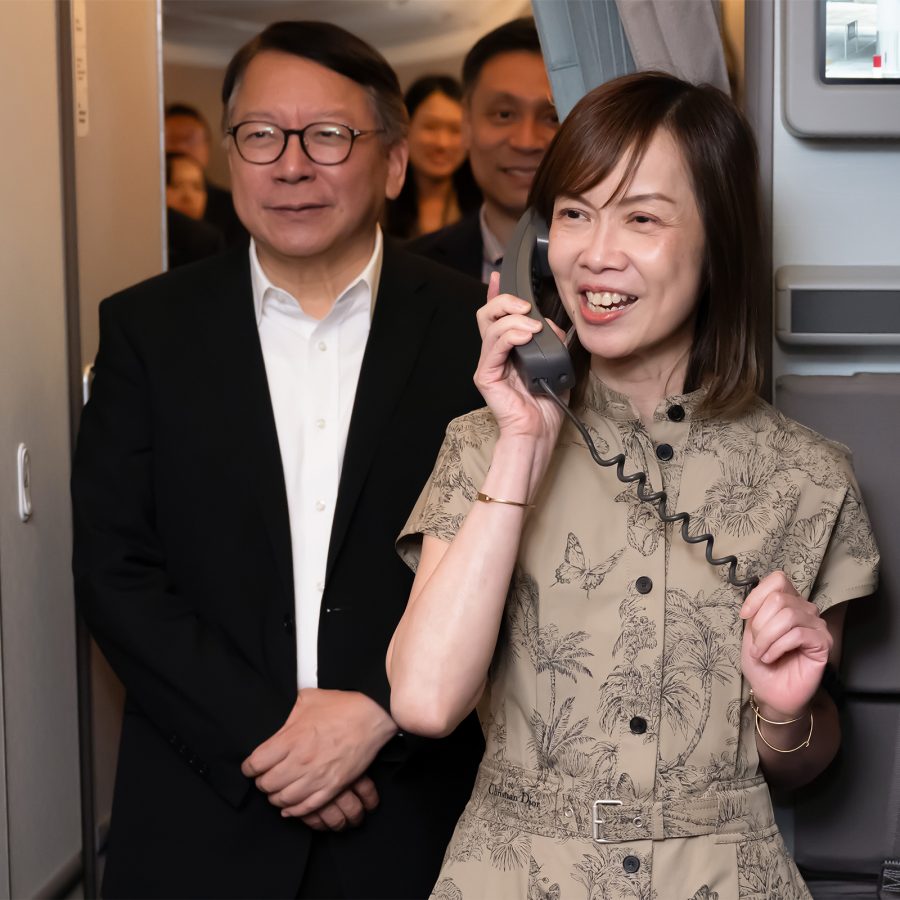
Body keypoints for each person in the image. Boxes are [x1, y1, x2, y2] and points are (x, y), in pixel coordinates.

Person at [387, 72, 879, 898]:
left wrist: (788, 714)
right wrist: (521, 443)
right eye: (575, 213)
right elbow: (427, 703)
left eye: (641, 217)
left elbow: (806, 764)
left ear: (717, 241)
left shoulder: (808, 476)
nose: (596, 253)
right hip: (517, 873)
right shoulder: (480, 446)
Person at [73, 20, 485, 899]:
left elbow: (515, 569)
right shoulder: (148, 332)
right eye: (260, 136)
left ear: (396, 162)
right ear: (231, 157)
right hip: (198, 821)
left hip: (416, 821)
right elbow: (116, 571)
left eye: (329, 136)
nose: (290, 165)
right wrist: (274, 739)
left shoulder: (475, 337)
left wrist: (380, 716)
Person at [408, 18, 559, 281]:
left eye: (552, 117)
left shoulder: (628, 264)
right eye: (504, 114)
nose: (527, 142)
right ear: (466, 124)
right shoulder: (412, 269)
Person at [385, 75, 480, 240]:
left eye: (455, 130)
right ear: (405, 127)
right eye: (430, 127)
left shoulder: (484, 206)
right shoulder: (379, 203)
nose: (442, 143)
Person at [164, 102, 248, 247]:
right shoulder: (145, 205)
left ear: (207, 147)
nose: (180, 148)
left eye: (188, 140)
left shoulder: (235, 208)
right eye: (171, 140)